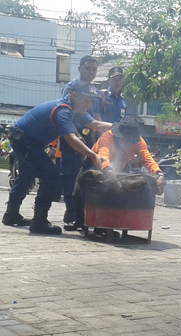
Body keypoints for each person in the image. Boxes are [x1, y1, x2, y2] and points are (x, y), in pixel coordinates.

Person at [1, 81, 110, 234]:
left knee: (26, 176)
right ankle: (39, 221)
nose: (89, 103)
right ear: (73, 95)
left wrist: (120, 127)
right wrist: (93, 155)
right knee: (50, 175)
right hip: (24, 142)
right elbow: (71, 139)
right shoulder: (63, 110)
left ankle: (11, 215)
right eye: (86, 99)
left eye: (91, 100)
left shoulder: (74, 111)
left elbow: (97, 125)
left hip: (26, 142)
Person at [69, 117, 166, 232]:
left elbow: (147, 159)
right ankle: (80, 222)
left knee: (108, 195)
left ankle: (102, 226)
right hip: (94, 164)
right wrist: (108, 171)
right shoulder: (107, 137)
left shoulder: (139, 142)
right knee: (78, 194)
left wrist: (158, 173)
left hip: (116, 169)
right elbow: (103, 156)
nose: (126, 143)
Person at [60, 56, 105, 227]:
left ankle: (82, 215)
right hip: (72, 137)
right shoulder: (71, 88)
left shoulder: (96, 92)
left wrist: (98, 140)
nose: (91, 72)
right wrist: (75, 134)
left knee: (86, 177)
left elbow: (97, 117)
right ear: (79, 69)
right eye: (87, 68)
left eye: (94, 69)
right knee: (69, 176)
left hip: (89, 139)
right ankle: (71, 213)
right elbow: (66, 114)